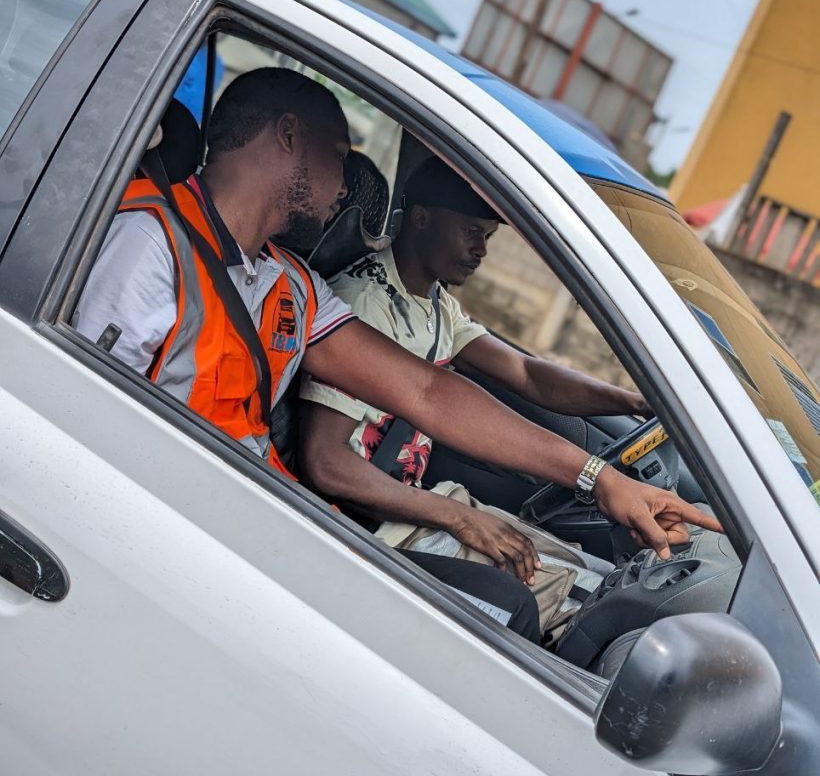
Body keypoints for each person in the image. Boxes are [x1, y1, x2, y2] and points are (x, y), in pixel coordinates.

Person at [73, 67, 719, 636]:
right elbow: (78, 428)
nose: (351, 182)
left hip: (260, 517)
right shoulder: (148, 249)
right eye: (339, 154)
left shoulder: (291, 285)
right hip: (169, 533)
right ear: (288, 138)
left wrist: (598, 477)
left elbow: (427, 392)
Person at [298, 157, 656, 633]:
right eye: (470, 231)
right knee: (586, 612)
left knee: (606, 581)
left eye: (487, 237)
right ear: (421, 218)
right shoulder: (364, 301)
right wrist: (455, 518)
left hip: (424, 504)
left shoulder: (436, 304)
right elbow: (325, 461)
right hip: (376, 529)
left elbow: (527, 375)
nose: (480, 250)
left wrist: (635, 402)